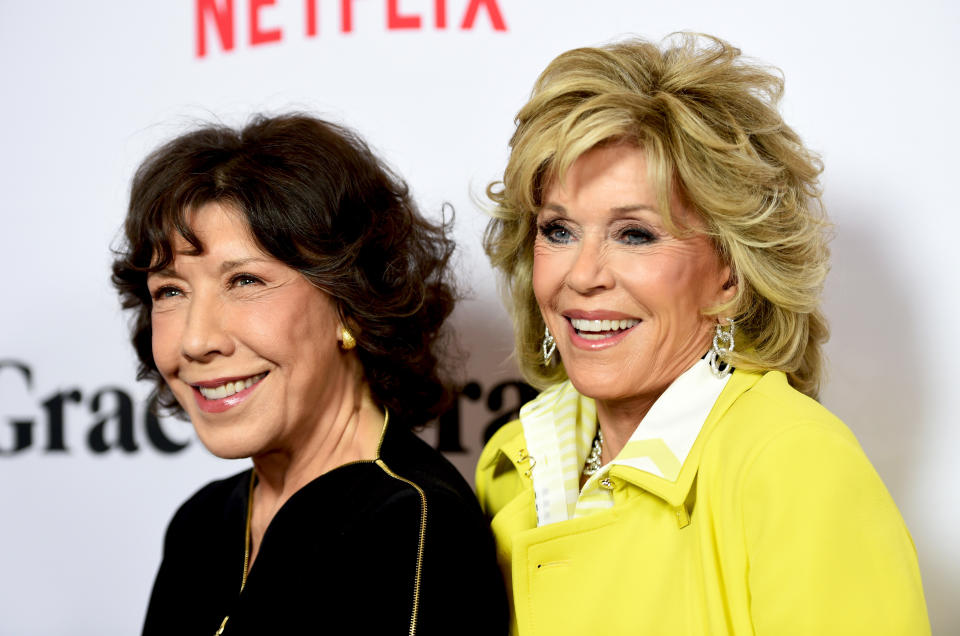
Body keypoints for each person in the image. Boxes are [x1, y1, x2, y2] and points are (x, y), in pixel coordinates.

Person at [476, 34, 929, 635]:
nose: (581, 276)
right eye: (559, 230)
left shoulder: (793, 465)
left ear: (731, 275)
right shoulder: (514, 461)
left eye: (634, 234)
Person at [112, 114, 507, 635]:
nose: (195, 340)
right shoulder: (202, 525)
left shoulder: (411, 524)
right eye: (170, 291)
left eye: (245, 280)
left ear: (351, 304)